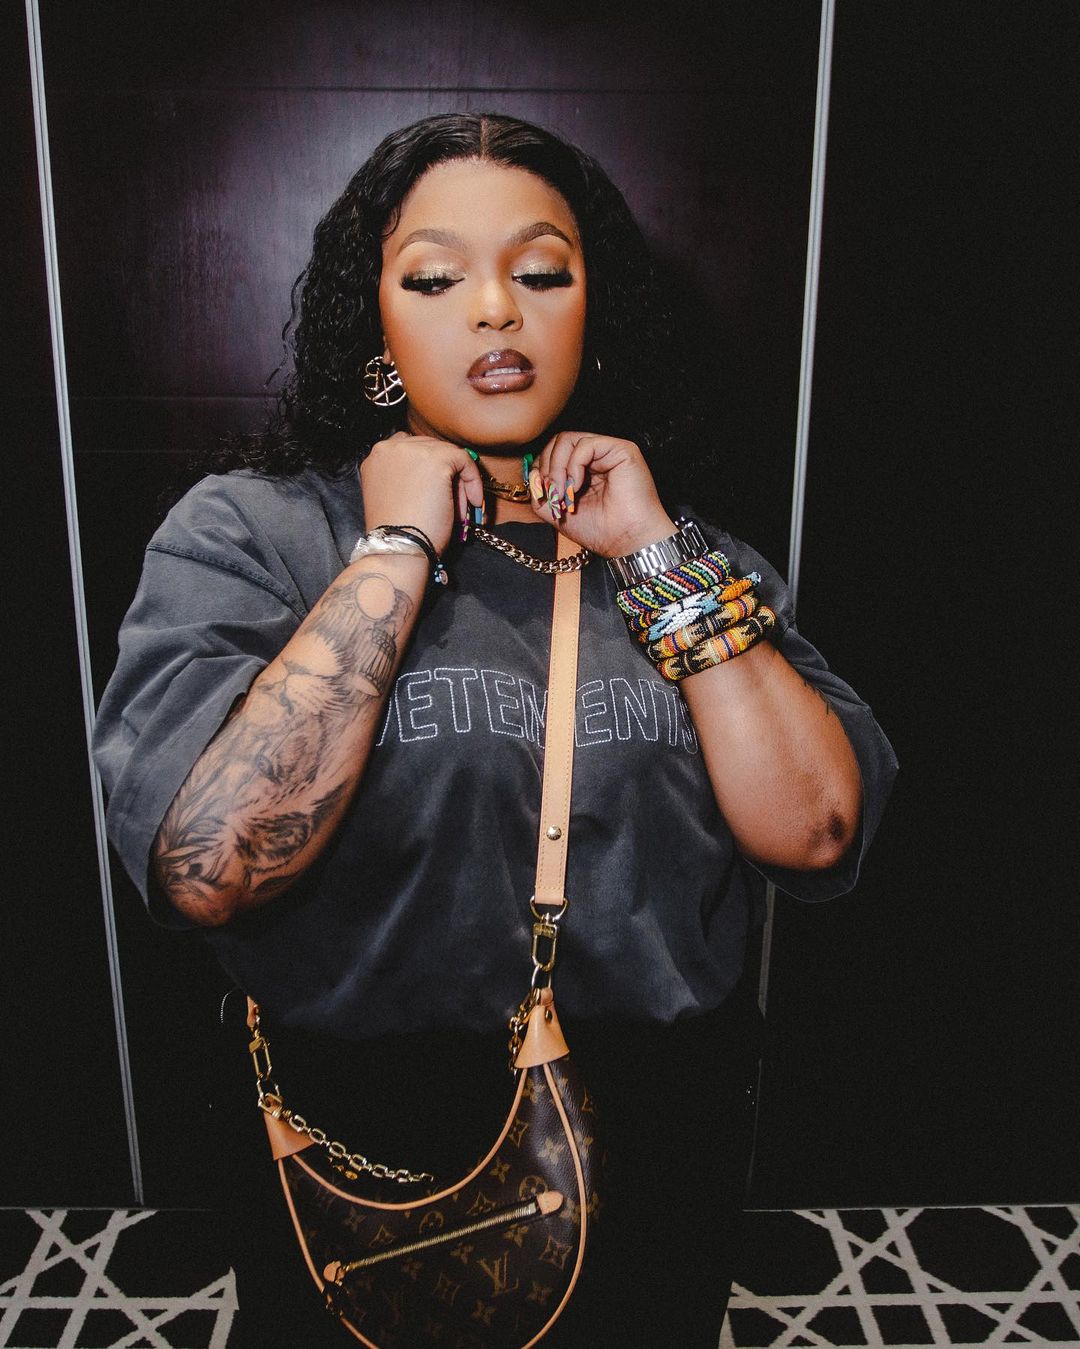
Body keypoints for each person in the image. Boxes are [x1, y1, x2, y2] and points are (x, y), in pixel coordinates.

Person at [94, 112, 896, 1347]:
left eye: (541, 272)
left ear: (592, 315)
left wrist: (653, 549)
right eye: (434, 277)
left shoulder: (689, 555)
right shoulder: (255, 531)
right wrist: (396, 547)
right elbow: (215, 861)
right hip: (367, 1141)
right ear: (376, 328)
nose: (493, 309)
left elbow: (818, 828)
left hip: (656, 1146)